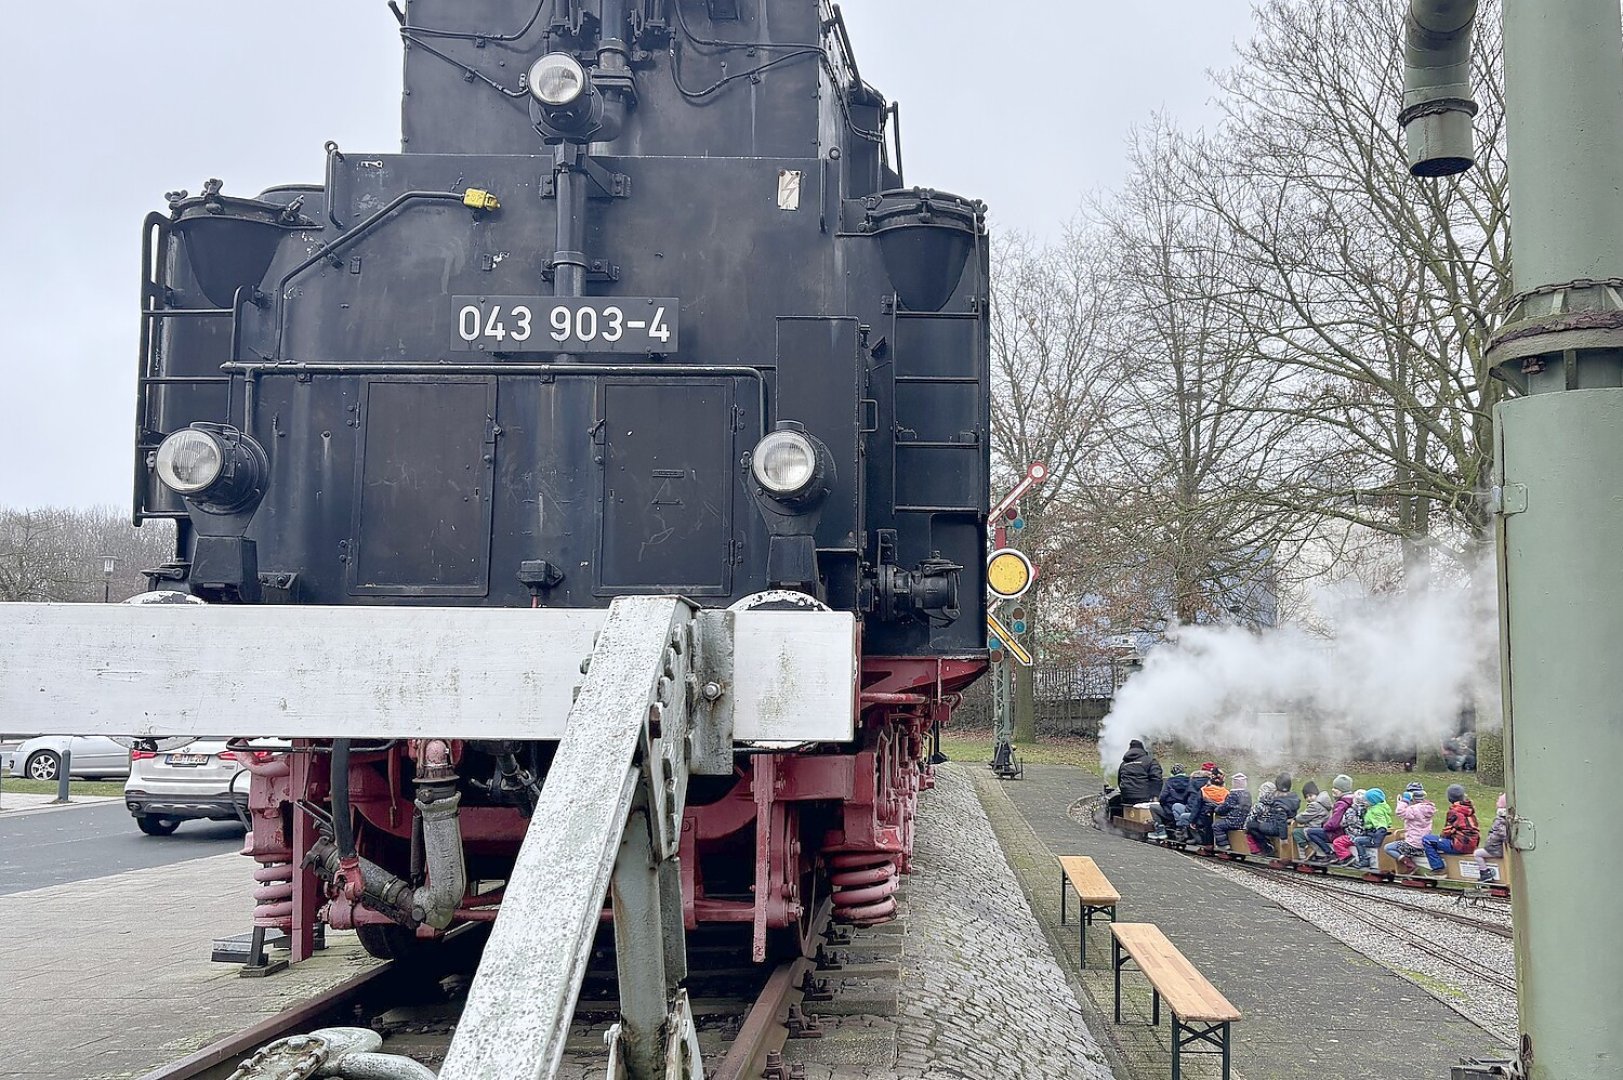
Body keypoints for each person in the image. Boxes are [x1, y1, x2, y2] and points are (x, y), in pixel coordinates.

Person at [1419, 783, 1480, 876]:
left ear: (1449, 798)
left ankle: (1438, 869)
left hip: (1460, 845)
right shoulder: (1468, 809)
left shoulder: (1454, 811)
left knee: (1427, 839)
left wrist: (1441, 838)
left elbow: (1447, 831)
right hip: (1473, 844)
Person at [1384, 781, 1437, 873]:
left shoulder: (1413, 809)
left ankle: (1408, 863)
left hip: (1412, 844)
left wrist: (1404, 800)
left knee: (1388, 848)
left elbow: (1400, 812)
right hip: (1424, 843)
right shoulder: (1427, 808)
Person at [1305, 774, 1354, 863]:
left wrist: (1325, 826)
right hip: (1346, 831)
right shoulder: (1351, 800)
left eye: (1336, 788)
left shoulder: (1341, 804)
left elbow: (1334, 823)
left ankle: (1330, 853)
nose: (1333, 790)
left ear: (1343, 790)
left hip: (1337, 833)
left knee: (1310, 832)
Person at [1109, 739, 1164, 817]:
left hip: (1126, 798)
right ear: (1142, 749)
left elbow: (1119, 781)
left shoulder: (1123, 764)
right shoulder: (1150, 761)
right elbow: (1157, 779)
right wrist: (1155, 795)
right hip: (1144, 798)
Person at [1149, 763, 1196, 841]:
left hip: (1169, 811)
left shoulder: (1169, 782)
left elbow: (1162, 797)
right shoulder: (1190, 782)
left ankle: (1160, 830)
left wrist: (1164, 805)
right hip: (1183, 810)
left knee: (1153, 807)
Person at [1245, 780, 1291, 855]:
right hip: (1278, 826)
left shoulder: (1259, 805)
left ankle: (1265, 847)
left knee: (1250, 826)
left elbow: (1250, 817)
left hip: (1267, 827)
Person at [1355, 787, 1393, 869]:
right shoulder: (1379, 807)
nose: (1364, 802)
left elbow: (1381, 825)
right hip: (1373, 833)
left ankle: (1364, 859)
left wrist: (1376, 840)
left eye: (1366, 801)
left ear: (1373, 801)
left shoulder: (1375, 811)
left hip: (1375, 835)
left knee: (1357, 840)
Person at [1475, 793, 1509, 882]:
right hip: (1497, 848)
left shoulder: (1500, 821)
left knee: (1477, 854)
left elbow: (1502, 834)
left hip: (1495, 849)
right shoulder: (1506, 819)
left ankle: (1485, 873)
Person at [1213, 773, 1251, 851]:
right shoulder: (1247, 794)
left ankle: (1223, 845)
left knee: (1217, 825)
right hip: (1244, 820)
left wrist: (1217, 809)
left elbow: (1225, 807)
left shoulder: (1233, 794)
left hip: (1234, 821)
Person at [1191, 769, 1229, 846]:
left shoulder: (1204, 790)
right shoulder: (1226, 792)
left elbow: (1196, 807)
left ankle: (1207, 846)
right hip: (1220, 818)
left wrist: (1192, 820)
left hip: (1204, 818)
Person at [1330, 789, 1368, 865]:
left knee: (1337, 842)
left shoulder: (1351, 810)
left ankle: (1347, 857)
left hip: (1352, 835)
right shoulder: (1368, 809)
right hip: (1364, 835)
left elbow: (1343, 823)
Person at [1293, 781, 1329, 856]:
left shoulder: (1314, 805)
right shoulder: (1324, 803)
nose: (1309, 798)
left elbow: (1303, 817)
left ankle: (1308, 849)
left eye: (1310, 795)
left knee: (1296, 832)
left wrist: (1295, 818)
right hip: (1320, 826)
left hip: (1314, 828)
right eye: (1306, 797)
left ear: (1316, 794)